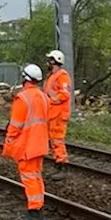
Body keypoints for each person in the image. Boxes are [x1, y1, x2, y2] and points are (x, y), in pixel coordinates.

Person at [3, 63, 50, 220]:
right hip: (41, 143)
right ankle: (38, 206)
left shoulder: (22, 98)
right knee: (36, 176)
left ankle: (34, 212)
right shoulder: (43, 96)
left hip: (27, 145)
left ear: (25, 79)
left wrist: (9, 141)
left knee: (29, 177)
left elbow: (15, 124)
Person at [43, 50, 72, 180]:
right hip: (53, 114)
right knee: (54, 141)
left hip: (59, 115)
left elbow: (65, 94)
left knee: (57, 140)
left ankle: (62, 165)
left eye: (50, 60)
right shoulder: (53, 76)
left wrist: (51, 101)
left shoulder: (62, 76)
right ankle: (58, 165)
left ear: (55, 61)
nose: (48, 62)